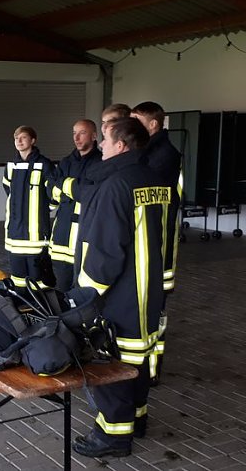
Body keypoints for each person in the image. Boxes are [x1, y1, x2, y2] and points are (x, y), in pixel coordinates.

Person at [70, 117, 170, 458]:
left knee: (110, 364)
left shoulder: (116, 185)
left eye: (106, 141)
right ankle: (137, 420)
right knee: (138, 361)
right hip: (150, 292)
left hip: (121, 295)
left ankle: (112, 436)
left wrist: (84, 294)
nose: (100, 146)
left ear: (122, 146)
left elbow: (106, 251)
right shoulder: (155, 181)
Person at [131, 101, 182, 385]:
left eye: (136, 121)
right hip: (149, 244)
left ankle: (152, 370)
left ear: (153, 125)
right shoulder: (150, 151)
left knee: (155, 311)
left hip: (158, 245)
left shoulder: (163, 155)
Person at [48, 119, 102, 292]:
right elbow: (50, 190)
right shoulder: (65, 162)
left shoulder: (101, 163)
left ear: (94, 136)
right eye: (74, 133)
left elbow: (87, 194)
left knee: (81, 292)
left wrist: (64, 185)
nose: (76, 138)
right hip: (61, 239)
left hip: (83, 239)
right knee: (62, 290)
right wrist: (74, 186)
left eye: (82, 133)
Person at [3, 126, 56, 288]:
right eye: (16, 138)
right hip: (14, 235)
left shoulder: (44, 164)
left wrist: (40, 211)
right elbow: (8, 190)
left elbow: (54, 195)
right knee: (18, 281)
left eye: (23, 137)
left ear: (33, 140)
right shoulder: (11, 165)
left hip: (36, 236)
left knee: (39, 282)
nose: (18, 141)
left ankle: (42, 311)